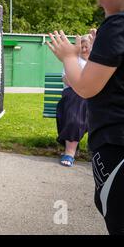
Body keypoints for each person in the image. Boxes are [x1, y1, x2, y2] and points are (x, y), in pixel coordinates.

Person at [46, 0, 124, 235]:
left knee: (120, 218)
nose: (97, 1)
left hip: (118, 145)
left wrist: (69, 56)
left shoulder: (119, 24)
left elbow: (84, 87)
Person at [56, 35, 92, 167]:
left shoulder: (96, 63)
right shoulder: (72, 61)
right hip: (72, 98)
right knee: (77, 102)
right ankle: (70, 151)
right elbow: (68, 81)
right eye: (81, 47)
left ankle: (71, 150)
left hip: (91, 99)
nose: (83, 49)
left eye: (86, 47)